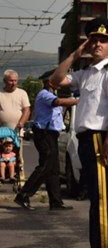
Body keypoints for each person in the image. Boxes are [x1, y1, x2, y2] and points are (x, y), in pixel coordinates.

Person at [50, 18, 108, 248]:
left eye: (103, 41)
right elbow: (55, 79)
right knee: (95, 198)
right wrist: (75, 54)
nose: (97, 44)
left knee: (103, 200)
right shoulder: (85, 74)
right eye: (94, 39)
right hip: (85, 140)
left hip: (98, 138)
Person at [15, 70, 78, 210]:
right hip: (44, 134)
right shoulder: (45, 95)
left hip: (51, 134)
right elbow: (59, 102)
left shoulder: (51, 94)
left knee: (53, 169)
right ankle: (24, 194)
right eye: (57, 80)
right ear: (50, 82)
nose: (60, 82)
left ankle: (55, 201)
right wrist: (79, 101)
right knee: (45, 166)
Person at [0, 69, 31, 138]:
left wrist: (22, 122)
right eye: (11, 81)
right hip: (2, 132)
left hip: (17, 132)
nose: (14, 83)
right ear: (4, 81)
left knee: (17, 148)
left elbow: (27, 110)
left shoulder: (22, 93)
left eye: (15, 80)